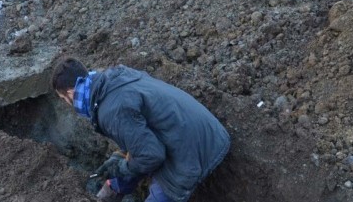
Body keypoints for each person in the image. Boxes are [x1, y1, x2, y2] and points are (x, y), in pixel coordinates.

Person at [51, 57, 230, 202]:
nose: (67, 104)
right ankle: (112, 191)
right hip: (203, 132)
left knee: (139, 169)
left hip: (192, 153)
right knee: (128, 163)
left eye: (63, 98)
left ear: (70, 93)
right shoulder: (116, 80)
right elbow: (139, 130)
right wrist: (119, 159)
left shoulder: (111, 110)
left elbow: (152, 156)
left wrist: (123, 167)